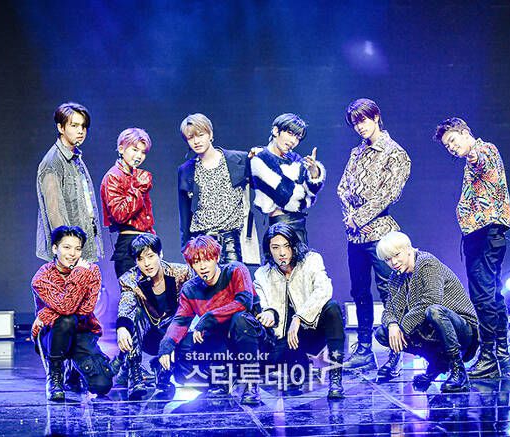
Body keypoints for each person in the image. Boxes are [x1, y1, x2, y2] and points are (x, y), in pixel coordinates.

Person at [433, 117, 510, 378]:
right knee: (493, 295)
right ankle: (502, 356)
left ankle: (489, 357)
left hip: (484, 235)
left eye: (452, 140)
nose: (451, 148)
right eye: (447, 146)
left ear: (465, 132)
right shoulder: (478, 156)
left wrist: (472, 154)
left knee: (483, 297)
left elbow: (480, 159)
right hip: (485, 236)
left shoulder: (483, 150)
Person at [337, 98, 411, 372]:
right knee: (359, 291)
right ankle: (364, 350)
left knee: (389, 291)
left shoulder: (395, 153)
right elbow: (342, 188)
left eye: (363, 120)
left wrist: (359, 218)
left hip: (381, 233)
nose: (360, 126)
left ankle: (395, 353)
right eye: (355, 123)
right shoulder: (356, 152)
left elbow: (389, 194)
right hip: (356, 236)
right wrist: (352, 220)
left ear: (376, 116)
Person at [157, 235, 264, 405]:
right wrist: (166, 346)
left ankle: (251, 382)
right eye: (196, 262)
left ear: (217, 257)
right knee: (182, 347)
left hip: (251, 340)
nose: (202, 266)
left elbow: (244, 302)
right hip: (221, 344)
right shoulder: (190, 289)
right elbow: (180, 321)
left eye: (207, 259)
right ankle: (221, 380)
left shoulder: (235, 270)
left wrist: (208, 318)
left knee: (240, 320)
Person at [374, 231, 479, 392]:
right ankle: (437, 362)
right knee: (382, 333)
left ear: (408, 249)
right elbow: (389, 311)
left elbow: (431, 300)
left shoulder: (427, 263)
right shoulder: (396, 277)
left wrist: (402, 328)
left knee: (434, 311)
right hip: (434, 331)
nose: (393, 262)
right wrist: (393, 325)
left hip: (462, 330)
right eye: (388, 259)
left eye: (396, 255)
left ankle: (458, 371)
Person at [254, 223, 344, 399]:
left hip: (313, 329)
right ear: (268, 250)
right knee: (269, 365)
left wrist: (299, 318)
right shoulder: (262, 274)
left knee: (332, 308)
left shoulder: (311, 260)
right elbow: (264, 305)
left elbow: (324, 289)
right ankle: (298, 366)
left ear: (294, 246)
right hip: (285, 337)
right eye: (275, 247)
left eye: (286, 246)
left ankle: (335, 378)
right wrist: (269, 313)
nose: (282, 253)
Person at [31, 226, 113, 401]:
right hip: (52, 334)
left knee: (102, 386)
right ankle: (55, 375)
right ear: (55, 248)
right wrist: (78, 274)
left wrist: (45, 314)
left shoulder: (91, 271)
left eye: (77, 248)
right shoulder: (42, 277)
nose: (73, 254)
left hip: (82, 331)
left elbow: (85, 310)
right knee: (66, 320)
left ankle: (74, 370)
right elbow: (67, 308)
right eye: (67, 247)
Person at [115, 233, 191, 399]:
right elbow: (127, 303)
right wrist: (122, 327)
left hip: (173, 333)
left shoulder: (181, 273)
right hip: (148, 335)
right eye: (140, 259)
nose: (147, 264)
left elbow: (195, 302)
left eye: (150, 256)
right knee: (134, 314)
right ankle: (134, 373)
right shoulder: (130, 279)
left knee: (177, 376)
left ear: (160, 254)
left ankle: (161, 369)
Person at [177, 113, 258, 264]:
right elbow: (184, 214)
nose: (196, 141)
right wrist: (186, 248)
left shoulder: (238, 159)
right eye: (190, 137)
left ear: (210, 134)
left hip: (231, 240)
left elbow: (260, 186)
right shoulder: (186, 170)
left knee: (233, 277)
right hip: (201, 242)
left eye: (200, 135)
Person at [36, 102, 103, 263]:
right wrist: (70, 251)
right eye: (74, 125)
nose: (81, 131)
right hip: (70, 255)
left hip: (84, 246)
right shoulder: (53, 162)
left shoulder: (76, 159)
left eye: (83, 126)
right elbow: (55, 213)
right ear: (61, 128)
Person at [250, 113, 325, 245]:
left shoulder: (294, 158)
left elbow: (312, 192)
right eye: (290, 133)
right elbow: (285, 196)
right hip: (280, 225)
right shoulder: (260, 158)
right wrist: (301, 191)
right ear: (275, 131)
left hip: (300, 225)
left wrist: (314, 172)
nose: (293, 141)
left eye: (298, 138)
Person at [100, 128, 156, 278]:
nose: (139, 156)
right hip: (128, 245)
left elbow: (146, 217)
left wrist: (154, 243)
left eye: (143, 152)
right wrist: (138, 188)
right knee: (131, 292)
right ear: (121, 149)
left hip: (146, 242)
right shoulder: (113, 176)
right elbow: (119, 214)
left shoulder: (137, 175)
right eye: (135, 150)